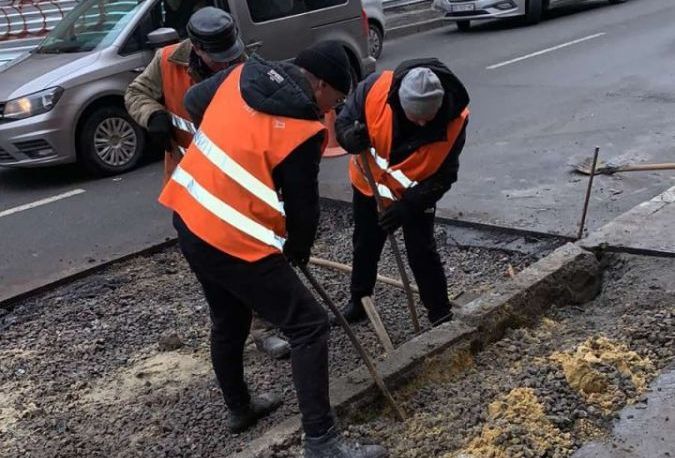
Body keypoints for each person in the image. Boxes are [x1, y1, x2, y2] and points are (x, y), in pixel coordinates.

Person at [158, 41, 387, 456]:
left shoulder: (242, 74)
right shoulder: (301, 127)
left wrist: (230, 146)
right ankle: (321, 441)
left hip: (189, 213)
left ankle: (240, 409)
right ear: (317, 83)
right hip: (231, 235)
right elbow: (303, 208)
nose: (331, 111)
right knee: (308, 324)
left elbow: (194, 100)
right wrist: (297, 250)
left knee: (229, 317)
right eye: (333, 100)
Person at [124, 7, 290, 360]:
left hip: (239, 182)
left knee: (256, 251)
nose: (224, 64)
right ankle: (231, 329)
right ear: (195, 48)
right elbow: (135, 94)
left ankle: (264, 327)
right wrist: (151, 115)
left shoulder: (244, 66)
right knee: (215, 266)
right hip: (191, 187)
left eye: (229, 55)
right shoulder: (167, 60)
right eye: (217, 59)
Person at [335, 58, 470, 326]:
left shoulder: (455, 120)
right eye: (415, 117)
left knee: (421, 251)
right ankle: (359, 301)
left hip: (415, 196)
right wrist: (350, 137)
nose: (421, 124)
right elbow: (343, 122)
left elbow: (445, 176)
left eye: (427, 118)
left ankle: (440, 313)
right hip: (368, 186)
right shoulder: (374, 89)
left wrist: (408, 206)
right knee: (365, 244)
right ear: (400, 103)